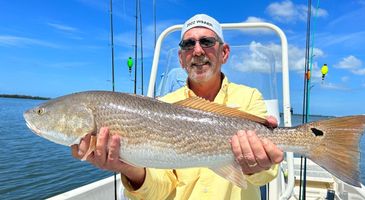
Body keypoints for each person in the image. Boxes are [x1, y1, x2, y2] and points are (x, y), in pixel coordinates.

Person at [71, 14, 284, 199]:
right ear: (181, 59)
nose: (198, 50)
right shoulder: (162, 106)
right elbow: (160, 191)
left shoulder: (250, 97)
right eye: (188, 45)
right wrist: (127, 168)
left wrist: (259, 166)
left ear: (224, 53)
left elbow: (266, 175)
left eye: (207, 42)